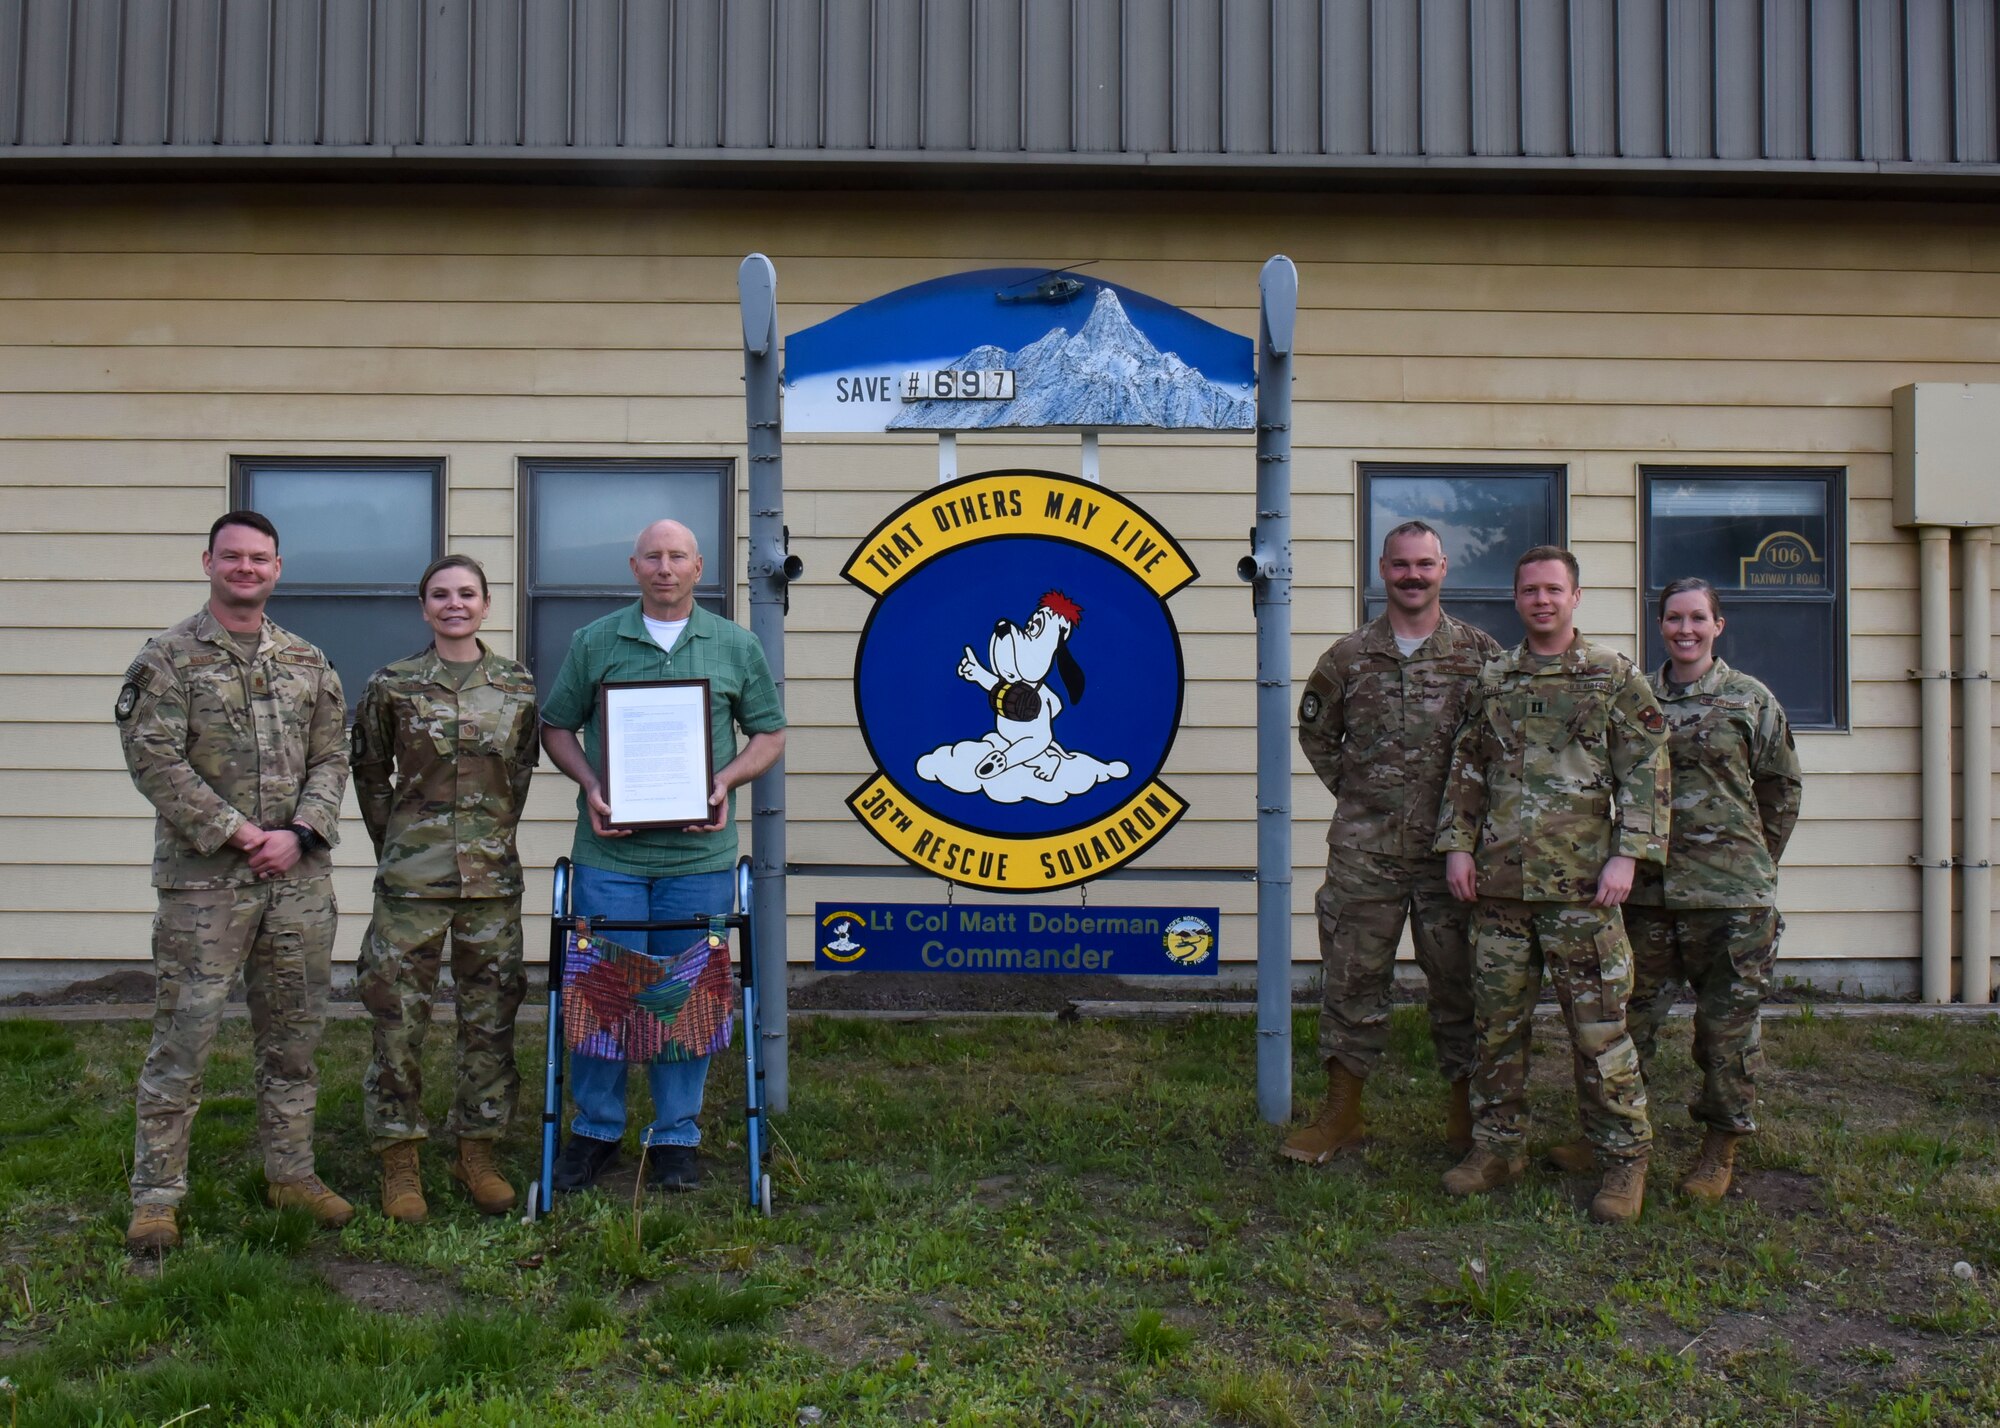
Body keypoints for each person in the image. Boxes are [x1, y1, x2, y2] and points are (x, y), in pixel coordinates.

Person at [115, 510, 353, 1252]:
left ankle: (290, 1171)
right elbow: (155, 759)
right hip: (204, 887)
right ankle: (157, 1195)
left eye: (260, 559)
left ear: (278, 568)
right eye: (233, 557)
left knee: (294, 1037)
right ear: (208, 562)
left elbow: (332, 758)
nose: (246, 569)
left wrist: (299, 834)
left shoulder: (306, 661)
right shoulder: (167, 659)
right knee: (183, 1038)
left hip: (296, 883)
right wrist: (240, 833)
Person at [540, 518, 786, 1192]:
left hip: (698, 857)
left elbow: (768, 733)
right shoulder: (596, 642)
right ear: (633, 566)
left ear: (699, 566)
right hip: (609, 855)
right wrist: (592, 784)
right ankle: (595, 1129)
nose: (666, 567)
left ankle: (676, 1134)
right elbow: (556, 725)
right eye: (653, 556)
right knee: (603, 991)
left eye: (678, 556)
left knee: (686, 994)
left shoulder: (734, 645)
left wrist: (725, 781)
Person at [1433, 545, 1670, 1224]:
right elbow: (1467, 769)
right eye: (1530, 590)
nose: (1542, 600)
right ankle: (1498, 1148)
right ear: (1516, 599)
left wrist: (1630, 855)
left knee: (1599, 1034)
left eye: (1554, 590)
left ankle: (1624, 1160)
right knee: (1496, 1031)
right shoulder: (1494, 679)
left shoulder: (1612, 677)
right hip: (1501, 890)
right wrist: (1456, 846)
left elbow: (1648, 771)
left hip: (1583, 892)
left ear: (1575, 597)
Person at [1547, 577, 1801, 1202]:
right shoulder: (1634, 697)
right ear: (1660, 625)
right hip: (1647, 895)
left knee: (1725, 1031)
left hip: (1731, 900)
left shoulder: (1750, 700)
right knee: (1624, 1021)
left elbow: (1780, 790)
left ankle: (1719, 1147)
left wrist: (1752, 863)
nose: (1685, 630)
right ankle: (1610, 1134)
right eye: (1673, 619)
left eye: (1697, 619)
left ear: (1718, 625)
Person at [1282, 520, 1501, 1164]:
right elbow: (1318, 737)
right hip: (1365, 853)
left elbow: (1497, 747)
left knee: (1461, 981)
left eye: (1424, 565)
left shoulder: (1480, 656)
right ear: (1383, 569)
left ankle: (1466, 1121)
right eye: (1401, 565)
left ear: (1443, 568)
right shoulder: (1347, 658)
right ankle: (1342, 1115)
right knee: (1351, 980)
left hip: (1451, 855)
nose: (1413, 576)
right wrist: (1362, 797)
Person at [351, 555, 541, 1222]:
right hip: (412, 881)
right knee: (398, 1019)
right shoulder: (392, 685)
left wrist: (485, 840)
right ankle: (399, 1159)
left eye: (467, 594)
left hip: (491, 881)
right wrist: (399, 844)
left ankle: (476, 1149)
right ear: (424, 606)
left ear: (486, 605)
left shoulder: (516, 686)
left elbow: (518, 774)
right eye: (440, 595)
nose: (454, 604)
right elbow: (371, 774)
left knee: (489, 1018)